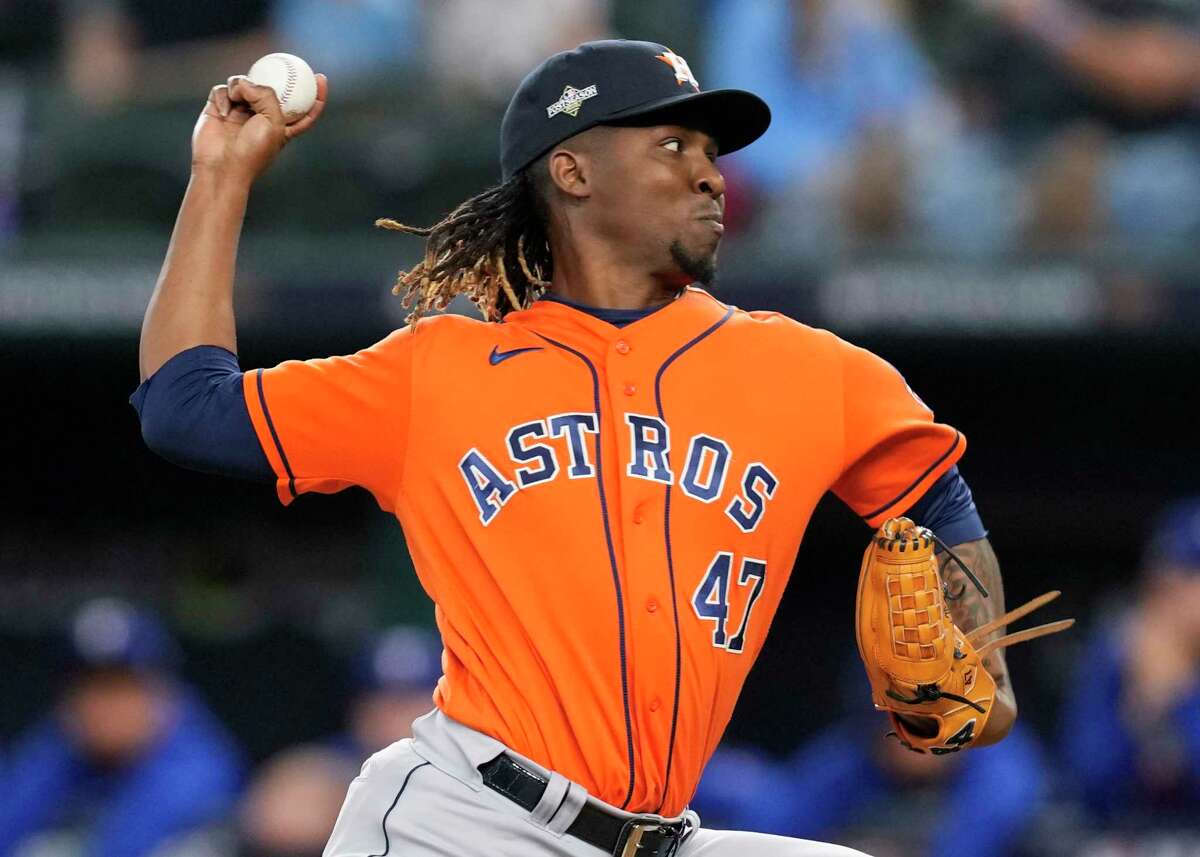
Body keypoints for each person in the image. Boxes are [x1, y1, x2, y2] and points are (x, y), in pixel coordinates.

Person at [132, 39, 1021, 856]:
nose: (711, 175)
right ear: (573, 170)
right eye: (674, 146)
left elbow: (935, 494)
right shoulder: (437, 372)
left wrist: (986, 661)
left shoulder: (809, 372)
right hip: (467, 819)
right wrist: (220, 179)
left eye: (713, 153)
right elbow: (182, 406)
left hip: (661, 834)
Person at [0, 598, 243, 857]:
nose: (103, 707)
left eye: (120, 688)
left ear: (162, 690)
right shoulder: (58, 747)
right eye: (89, 687)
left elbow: (121, 849)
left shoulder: (199, 766)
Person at [1059, 497, 1200, 826]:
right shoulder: (1117, 654)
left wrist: (1182, 696)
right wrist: (1145, 705)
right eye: (1189, 576)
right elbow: (1085, 779)